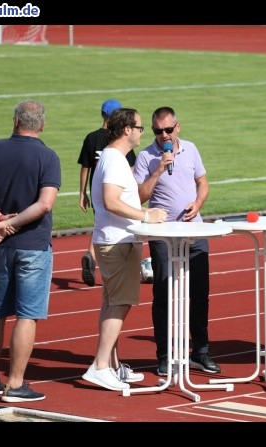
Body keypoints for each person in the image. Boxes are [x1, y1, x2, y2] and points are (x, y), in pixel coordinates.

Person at [0, 100, 61, 402]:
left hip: (0, 247)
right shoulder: (47, 156)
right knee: (27, 315)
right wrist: (12, 223)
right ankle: (15, 384)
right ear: (42, 125)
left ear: (15, 121)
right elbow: (45, 204)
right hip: (32, 245)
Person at [82, 107, 167, 391]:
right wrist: (146, 215)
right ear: (127, 130)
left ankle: (114, 366)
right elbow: (111, 201)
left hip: (114, 240)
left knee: (112, 302)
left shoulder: (112, 157)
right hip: (117, 242)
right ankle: (100, 365)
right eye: (141, 128)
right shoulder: (115, 160)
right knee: (119, 303)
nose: (143, 133)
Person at [133, 106, 221, 376]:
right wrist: (158, 170)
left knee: (199, 294)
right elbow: (139, 197)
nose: (164, 135)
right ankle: (164, 355)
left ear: (177, 127)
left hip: (194, 231)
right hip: (163, 235)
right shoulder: (146, 156)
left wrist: (198, 202)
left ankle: (201, 352)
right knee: (163, 294)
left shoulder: (191, 149)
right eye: (158, 131)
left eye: (168, 130)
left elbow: (203, 182)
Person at [77, 99, 137, 287]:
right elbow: (132, 167)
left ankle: (91, 254)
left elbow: (85, 167)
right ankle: (94, 257)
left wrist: (82, 193)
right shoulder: (118, 143)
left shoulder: (91, 137)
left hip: (96, 190)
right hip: (114, 192)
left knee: (100, 223)